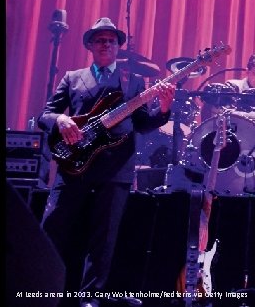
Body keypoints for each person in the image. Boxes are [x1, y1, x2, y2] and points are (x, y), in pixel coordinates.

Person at [38, 17, 175, 307]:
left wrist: (164, 108)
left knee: (104, 238)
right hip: (73, 166)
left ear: (118, 48)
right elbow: (45, 115)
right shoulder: (72, 78)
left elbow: (143, 124)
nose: (106, 44)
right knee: (52, 227)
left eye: (111, 40)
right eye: (100, 40)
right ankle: (43, 288)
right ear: (90, 45)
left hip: (115, 169)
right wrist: (61, 119)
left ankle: (91, 297)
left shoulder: (132, 81)